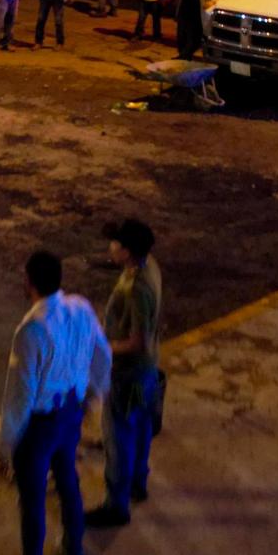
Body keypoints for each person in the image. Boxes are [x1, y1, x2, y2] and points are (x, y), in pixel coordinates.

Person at [0, 251, 110, 555]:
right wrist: (92, 396)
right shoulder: (81, 308)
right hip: (70, 412)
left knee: (31, 499)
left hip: (41, 425)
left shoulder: (31, 329)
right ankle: (73, 550)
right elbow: (102, 354)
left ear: (29, 281)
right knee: (67, 480)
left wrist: (6, 441)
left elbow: (20, 394)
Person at [88, 219, 162, 528]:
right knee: (141, 426)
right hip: (147, 372)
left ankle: (116, 505)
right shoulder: (150, 267)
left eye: (116, 244)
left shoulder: (136, 289)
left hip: (128, 373)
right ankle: (138, 483)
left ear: (128, 252)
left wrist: (102, 347)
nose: (111, 247)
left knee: (116, 438)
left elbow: (137, 342)